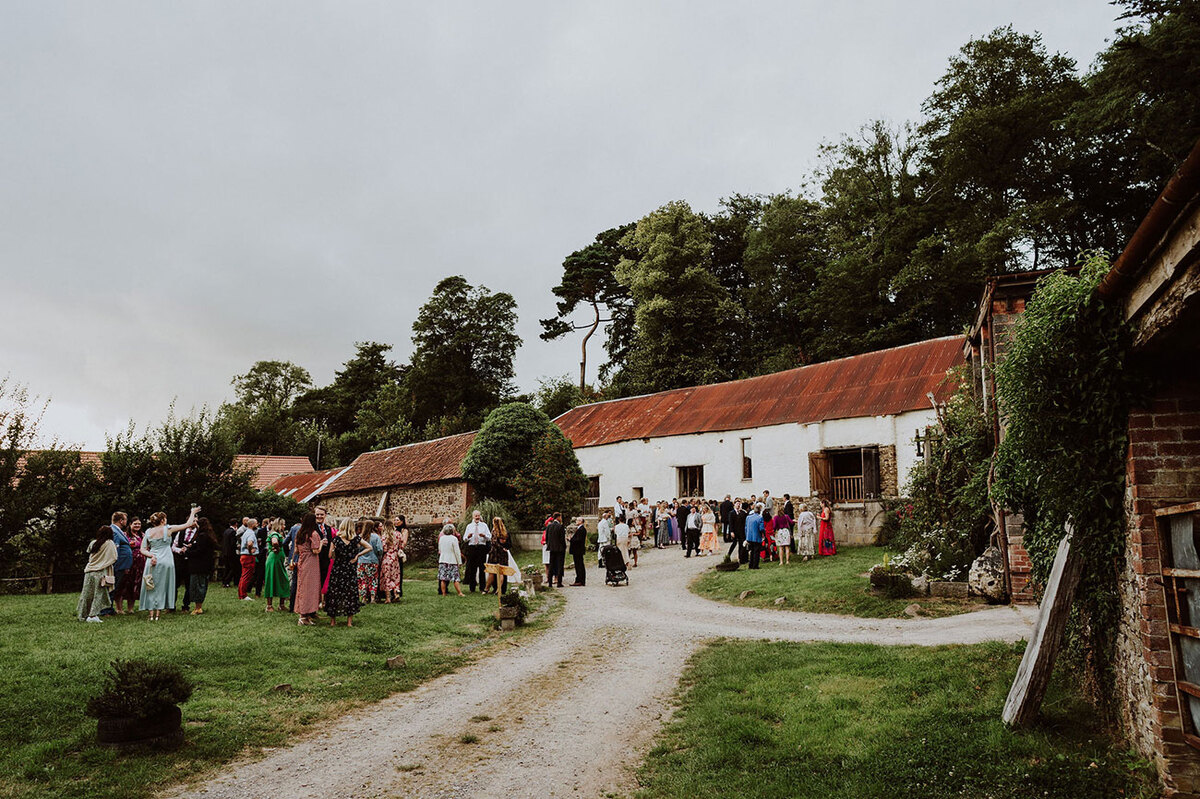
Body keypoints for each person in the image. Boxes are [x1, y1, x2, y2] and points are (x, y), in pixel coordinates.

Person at [139, 506, 199, 621]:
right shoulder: (168, 529)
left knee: (150, 585)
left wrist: (151, 555)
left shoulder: (148, 532)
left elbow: (143, 549)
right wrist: (192, 512)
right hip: (165, 560)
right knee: (161, 586)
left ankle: (151, 614)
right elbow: (188, 524)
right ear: (162, 520)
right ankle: (158, 614)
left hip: (152, 560)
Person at [327, 521, 372, 626]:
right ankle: (349, 622)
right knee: (350, 593)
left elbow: (330, 556)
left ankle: (333, 622)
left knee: (335, 592)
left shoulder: (336, 540)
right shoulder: (356, 539)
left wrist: (334, 552)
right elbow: (369, 547)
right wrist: (357, 555)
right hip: (350, 569)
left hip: (338, 569)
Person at [77, 525, 117, 622]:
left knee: (86, 594)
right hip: (100, 571)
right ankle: (93, 615)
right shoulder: (109, 543)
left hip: (89, 571)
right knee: (98, 594)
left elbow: (89, 554)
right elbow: (114, 557)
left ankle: (83, 615)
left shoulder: (93, 543)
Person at [293, 513, 324, 625]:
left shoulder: (300, 533)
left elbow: (296, 550)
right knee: (310, 588)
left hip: (302, 560)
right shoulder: (313, 534)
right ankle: (304, 616)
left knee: (302, 587)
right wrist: (321, 543)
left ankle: (305, 613)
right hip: (311, 562)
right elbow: (315, 551)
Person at [99, 511, 132, 617]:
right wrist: (114, 563)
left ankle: (110, 608)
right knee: (111, 587)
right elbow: (114, 549)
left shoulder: (119, 531)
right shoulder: (113, 531)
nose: (126, 522)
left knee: (115, 587)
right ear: (121, 521)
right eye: (125, 520)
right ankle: (105, 610)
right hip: (117, 564)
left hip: (122, 564)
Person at [113, 516, 144, 614]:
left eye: (139, 524)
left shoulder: (142, 535)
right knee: (123, 584)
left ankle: (130, 608)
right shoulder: (124, 535)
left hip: (139, 563)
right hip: (128, 563)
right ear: (130, 525)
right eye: (135, 524)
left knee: (134, 585)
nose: (137, 525)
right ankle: (119, 608)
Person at [187, 517, 217, 614]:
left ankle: (198, 607)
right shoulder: (208, 535)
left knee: (198, 585)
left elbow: (200, 551)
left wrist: (188, 551)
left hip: (199, 565)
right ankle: (198, 606)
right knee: (201, 585)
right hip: (205, 565)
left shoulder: (202, 536)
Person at [462, 510, 491, 593]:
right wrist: (468, 536)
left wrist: (484, 536)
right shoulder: (469, 526)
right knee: (472, 568)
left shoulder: (484, 526)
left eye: (478, 515)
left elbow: (489, 537)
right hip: (472, 548)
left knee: (482, 568)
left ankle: (482, 587)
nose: (477, 517)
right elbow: (464, 539)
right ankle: (472, 587)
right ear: (473, 517)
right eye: (476, 516)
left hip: (481, 547)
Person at [263, 519, 289, 612]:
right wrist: (276, 548)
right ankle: (269, 606)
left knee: (283, 580)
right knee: (271, 580)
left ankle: (281, 605)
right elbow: (274, 541)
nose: (284, 527)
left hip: (278, 560)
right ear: (279, 525)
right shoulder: (275, 534)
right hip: (274, 559)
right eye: (283, 525)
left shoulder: (276, 534)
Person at [172, 520, 197, 612]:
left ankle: (186, 605)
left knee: (189, 585)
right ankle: (171, 606)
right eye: (192, 521)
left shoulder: (198, 534)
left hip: (191, 562)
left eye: (196, 521)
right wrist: (179, 550)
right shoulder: (181, 532)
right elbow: (173, 546)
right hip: (179, 561)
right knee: (175, 584)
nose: (194, 523)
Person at [357, 520, 383, 604]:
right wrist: (379, 556)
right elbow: (380, 549)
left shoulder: (360, 537)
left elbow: (356, 549)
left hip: (361, 561)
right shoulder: (376, 537)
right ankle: (372, 598)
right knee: (373, 580)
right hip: (373, 560)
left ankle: (363, 598)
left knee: (362, 580)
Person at [437, 517, 464, 596]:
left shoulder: (441, 538)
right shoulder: (454, 539)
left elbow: (440, 549)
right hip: (452, 560)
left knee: (443, 578)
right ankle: (459, 592)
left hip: (443, 559)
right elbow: (457, 551)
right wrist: (459, 561)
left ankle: (443, 593)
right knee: (455, 578)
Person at [485, 517, 512, 594]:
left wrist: (501, 546)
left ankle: (487, 588)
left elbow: (494, 543)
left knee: (492, 572)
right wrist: (504, 547)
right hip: (503, 554)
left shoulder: (494, 532)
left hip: (495, 554)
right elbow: (509, 544)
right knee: (501, 572)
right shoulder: (505, 532)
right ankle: (499, 589)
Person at [379, 519, 403, 603]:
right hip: (395, 558)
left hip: (387, 558)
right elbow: (401, 546)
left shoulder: (385, 536)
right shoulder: (398, 534)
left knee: (387, 577)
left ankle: (388, 598)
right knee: (395, 576)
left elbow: (384, 548)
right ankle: (396, 594)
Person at [238, 518, 259, 600]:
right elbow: (250, 543)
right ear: (253, 524)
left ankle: (241, 594)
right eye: (256, 523)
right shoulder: (251, 533)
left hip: (243, 555)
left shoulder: (246, 532)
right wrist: (250, 551)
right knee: (247, 576)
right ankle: (243, 595)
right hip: (248, 556)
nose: (257, 525)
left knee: (243, 576)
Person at [545, 512, 567, 588]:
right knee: (559, 565)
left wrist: (549, 545)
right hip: (559, 549)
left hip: (552, 548)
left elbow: (547, 538)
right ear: (558, 517)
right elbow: (562, 539)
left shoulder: (549, 526)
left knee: (551, 565)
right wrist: (564, 547)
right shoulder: (560, 527)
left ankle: (550, 583)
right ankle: (559, 582)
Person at [220, 518, 239, 587]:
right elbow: (233, 543)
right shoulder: (233, 532)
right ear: (236, 524)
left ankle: (224, 581)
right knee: (233, 568)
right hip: (231, 553)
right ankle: (227, 581)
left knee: (227, 568)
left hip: (225, 552)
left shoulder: (226, 531)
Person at [745, 504, 765, 570]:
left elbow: (746, 527)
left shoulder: (748, 517)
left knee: (752, 551)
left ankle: (750, 565)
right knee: (756, 551)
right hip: (756, 536)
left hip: (749, 536)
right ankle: (755, 566)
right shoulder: (760, 518)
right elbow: (761, 528)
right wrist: (763, 534)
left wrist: (746, 535)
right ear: (759, 511)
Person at [569, 517, 587, 586]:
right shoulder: (580, 529)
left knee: (579, 565)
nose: (576, 521)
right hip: (578, 550)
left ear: (581, 521)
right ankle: (580, 579)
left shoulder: (581, 529)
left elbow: (578, 540)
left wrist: (571, 539)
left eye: (577, 520)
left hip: (578, 550)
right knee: (579, 565)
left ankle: (580, 580)